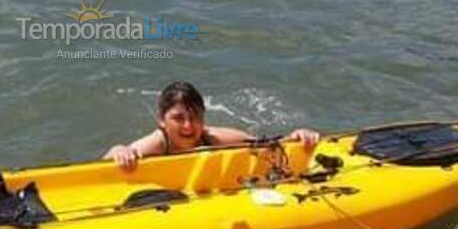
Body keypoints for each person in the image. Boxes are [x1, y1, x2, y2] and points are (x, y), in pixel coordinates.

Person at [103, 81, 321, 170]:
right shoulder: (159, 143)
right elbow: (110, 159)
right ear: (162, 120)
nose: (188, 126)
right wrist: (121, 150)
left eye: (195, 117)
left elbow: (267, 146)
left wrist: (296, 136)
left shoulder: (213, 138)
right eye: (178, 118)